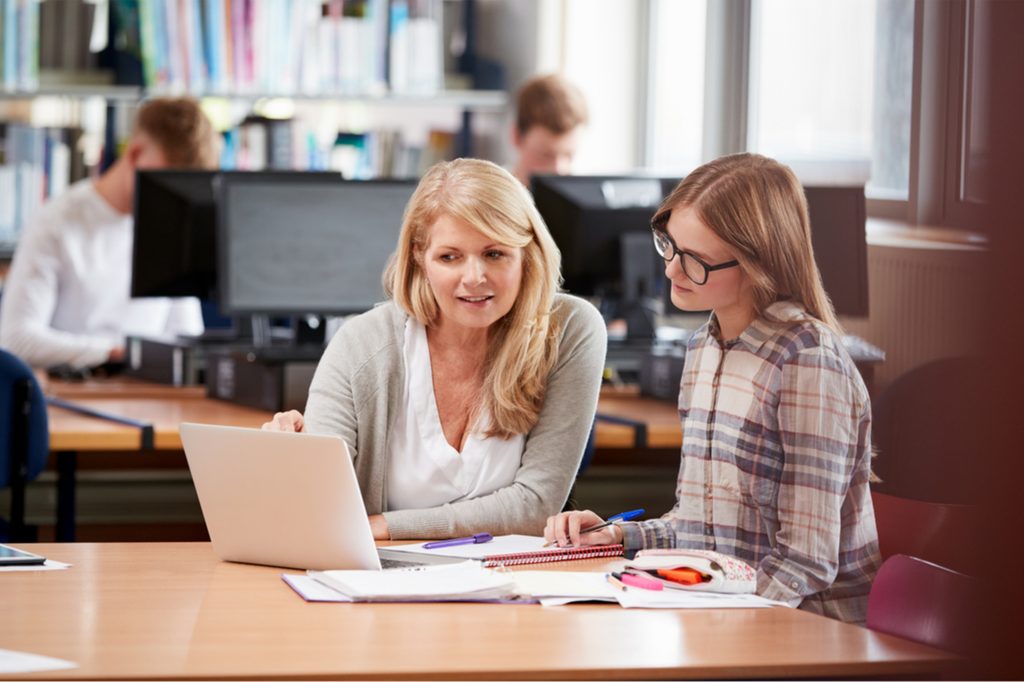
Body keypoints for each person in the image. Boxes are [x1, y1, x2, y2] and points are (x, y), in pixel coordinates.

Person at [545, 153, 880, 624]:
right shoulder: (705, 346)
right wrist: (618, 536)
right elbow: (703, 526)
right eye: (670, 247)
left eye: (697, 261)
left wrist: (711, 619)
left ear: (759, 263)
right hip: (726, 611)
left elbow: (805, 563)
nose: (672, 272)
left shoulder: (806, 362)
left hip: (809, 630)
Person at [263, 158, 607, 541]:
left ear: (527, 254)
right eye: (450, 257)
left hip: (513, 585)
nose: (474, 277)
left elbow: (535, 506)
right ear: (419, 257)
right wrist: (289, 462)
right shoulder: (362, 344)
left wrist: (386, 526)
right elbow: (325, 509)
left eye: (495, 254)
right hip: (380, 582)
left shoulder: (569, 329)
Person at [0, 97, 220, 370]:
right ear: (135, 154)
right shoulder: (56, 223)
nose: (173, 199)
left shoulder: (172, 227)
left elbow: (186, 334)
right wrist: (117, 352)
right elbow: (17, 339)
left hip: (154, 392)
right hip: (78, 392)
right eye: (165, 182)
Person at [510, 74, 588, 187]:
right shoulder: (487, 200)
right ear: (516, 136)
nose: (559, 170)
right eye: (546, 155)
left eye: (569, 155)